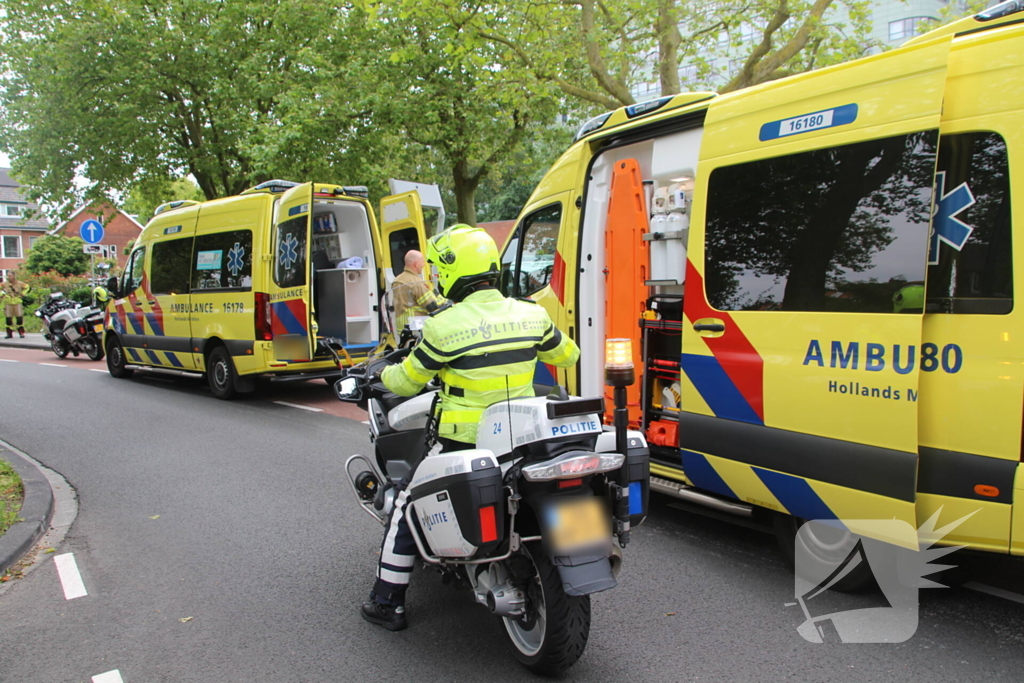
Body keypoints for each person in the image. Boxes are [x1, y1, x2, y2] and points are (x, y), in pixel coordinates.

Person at [361, 226, 580, 632]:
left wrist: (380, 377)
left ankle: (386, 601)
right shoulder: (531, 313)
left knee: (406, 506)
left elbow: (406, 382)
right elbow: (568, 353)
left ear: (450, 271)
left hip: (463, 441)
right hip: (523, 438)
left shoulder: (445, 327)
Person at [389, 250, 443, 334]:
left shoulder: (397, 280)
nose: (424, 265)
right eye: (422, 262)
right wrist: (443, 300)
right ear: (416, 264)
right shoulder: (416, 283)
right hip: (416, 327)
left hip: (402, 328)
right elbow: (431, 306)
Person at [1, 271, 32, 339]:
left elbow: (27, 287)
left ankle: (21, 332)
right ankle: (9, 333)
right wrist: (2, 295)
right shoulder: (4, 284)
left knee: (19, 318)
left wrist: (23, 293)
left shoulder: (20, 283)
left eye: (10, 275)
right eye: (8, 276)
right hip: (8, 302)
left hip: (17, 302)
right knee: (8, 319)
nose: (9, 277)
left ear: (14, 276)